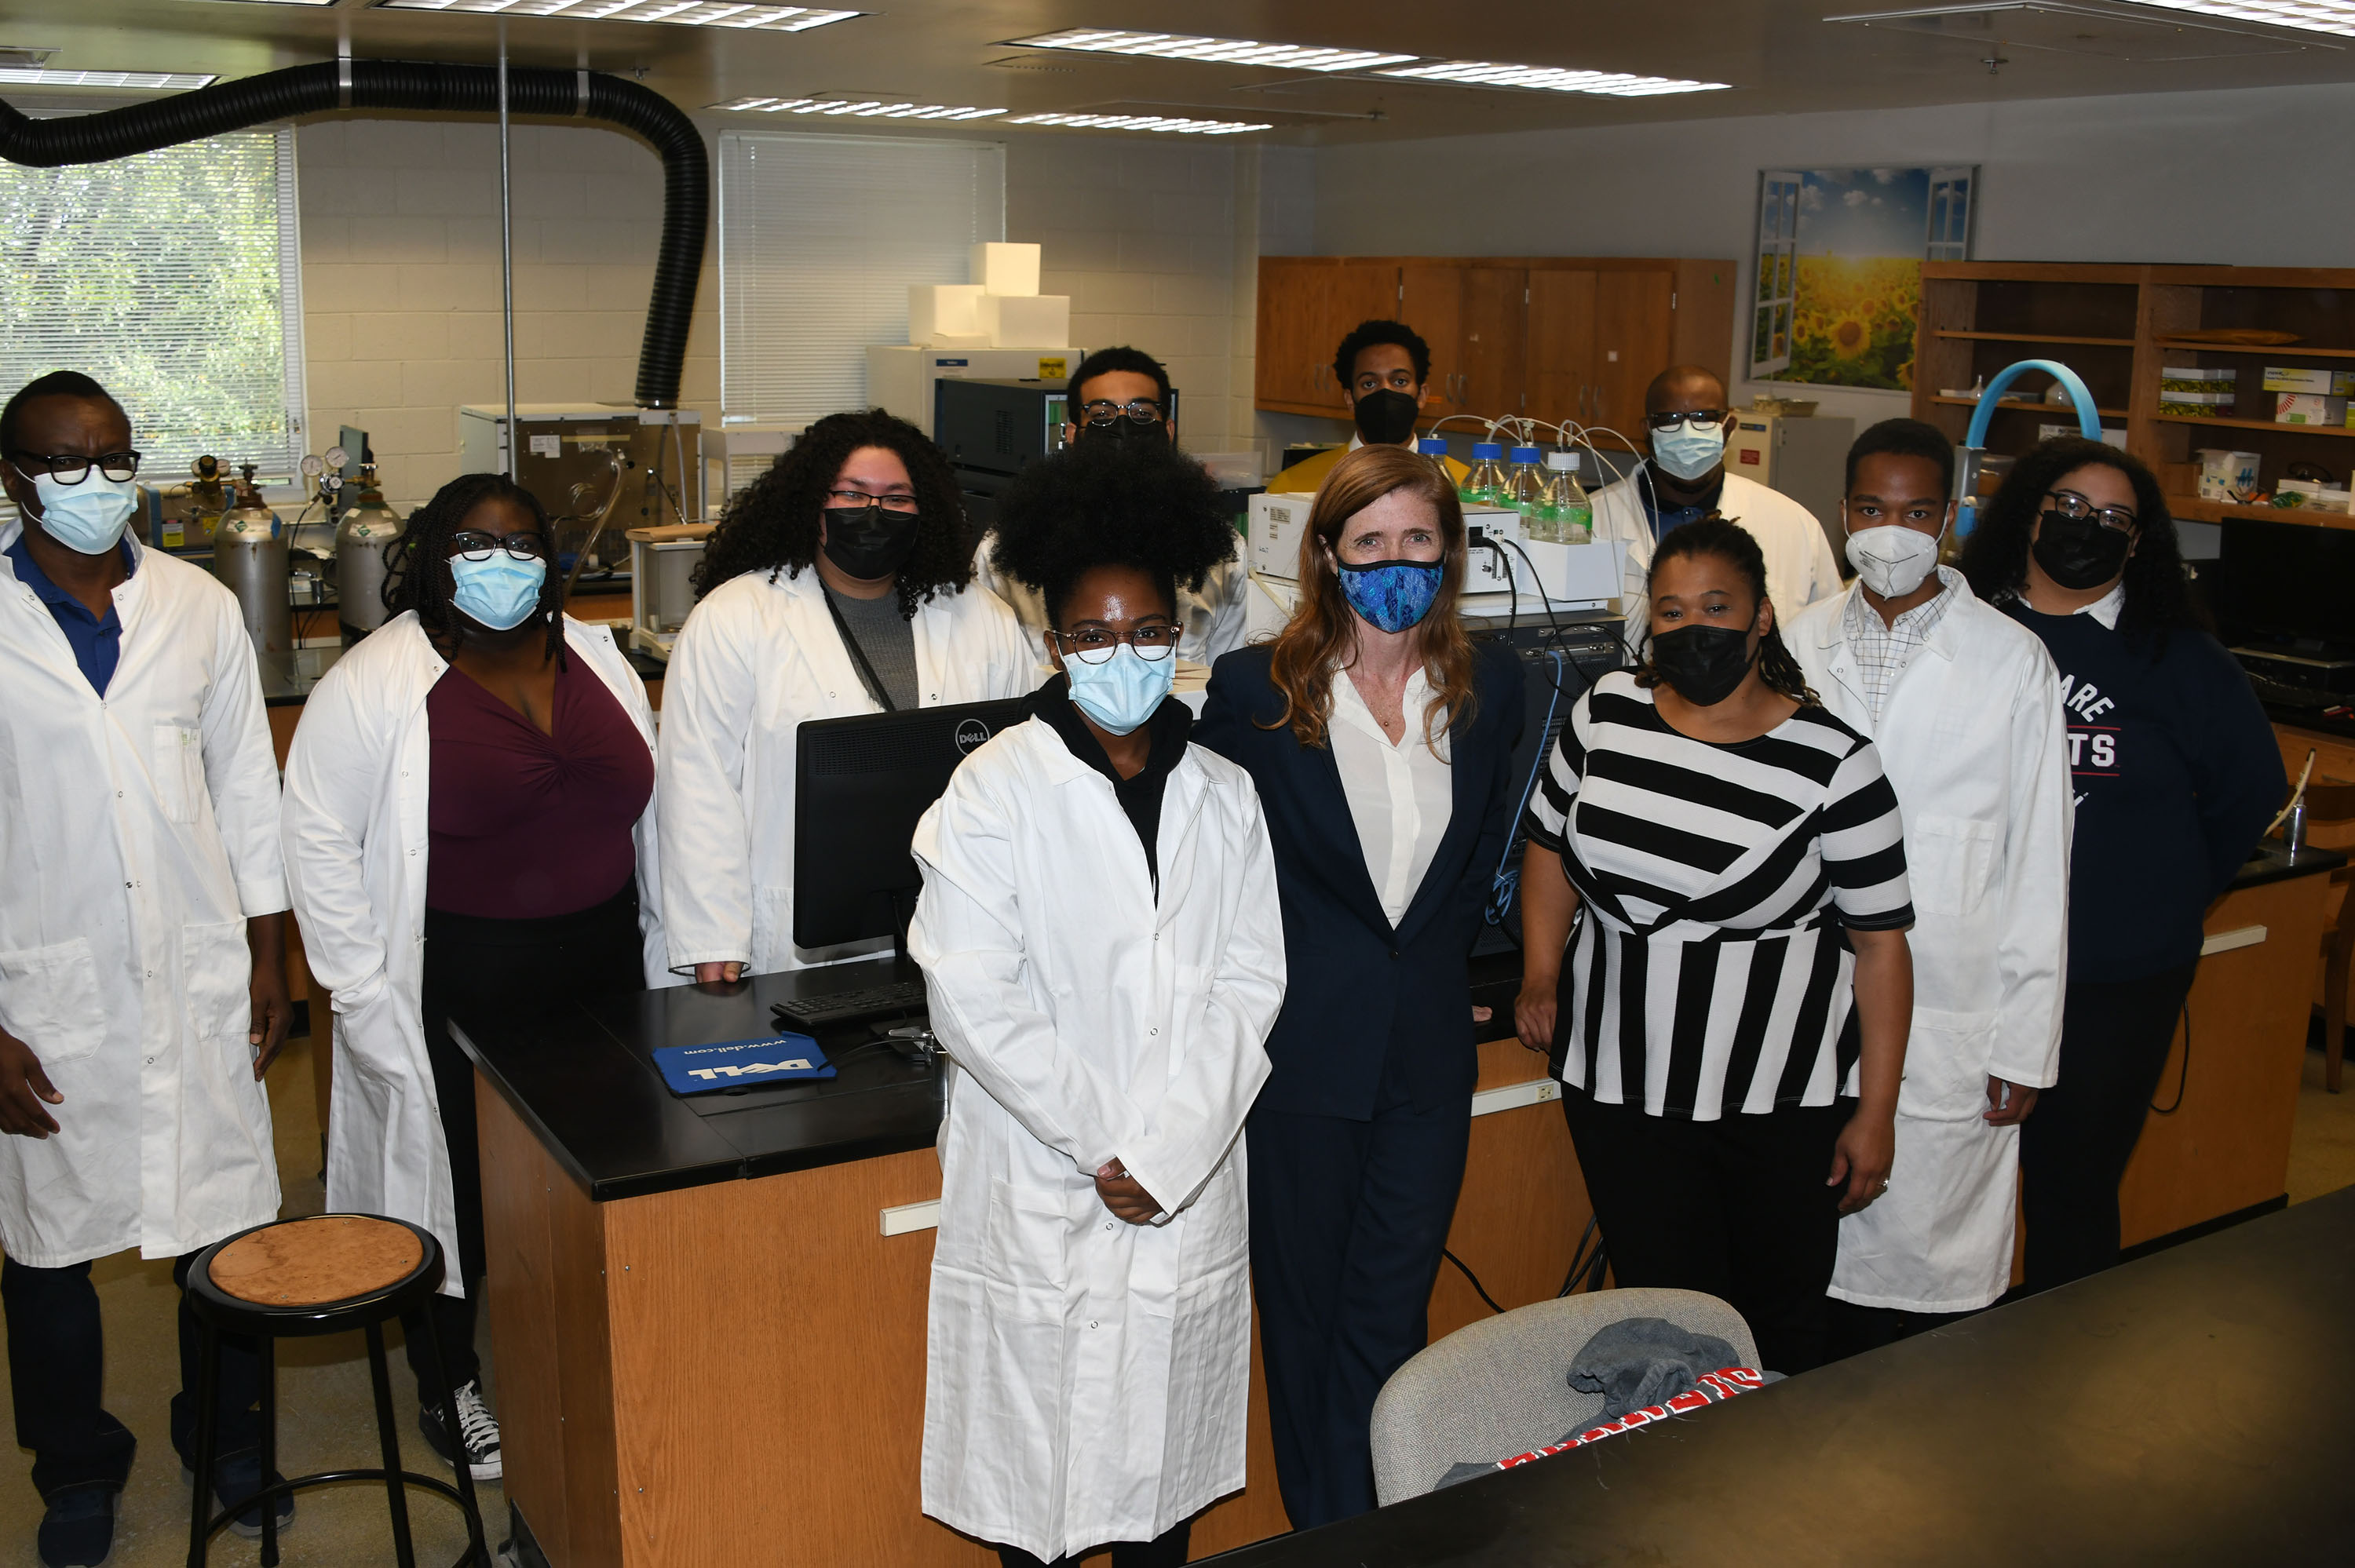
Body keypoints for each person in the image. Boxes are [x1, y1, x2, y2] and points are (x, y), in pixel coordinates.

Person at [910, 436, 1286, 1568]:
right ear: (1051, 641)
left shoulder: (1226, 792)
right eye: (1092, 633)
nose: (1122, 653)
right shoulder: (994, 789)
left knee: (1160, 1468)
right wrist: (1108, 1145)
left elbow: (1249, 981)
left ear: (1178, 634)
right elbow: (972, 994)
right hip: (1049, 1169)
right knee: (1044, 1474)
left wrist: (1168, 1149)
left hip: (1186, 1170)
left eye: (1146, 630)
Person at [283, 472, 675, 1483]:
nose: (501, 562)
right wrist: (359, 992)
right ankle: (446, 1377)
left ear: (550, 559)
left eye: (520, 543)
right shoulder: (375, 682)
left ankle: (584, 1349)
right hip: (461, 969)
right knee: (452, 1176)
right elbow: (317, 842)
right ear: (430, 557)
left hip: (602, 962)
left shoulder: (597, 655)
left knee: (593, 1164)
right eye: (473, 543)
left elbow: (653, 806)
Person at [1196, 443, 1523, 1527]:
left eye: (1417, 541)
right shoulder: (1253, 689)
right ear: (1329, 556)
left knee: (1389, 1317)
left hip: (1426, 1056)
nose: (1396, 560)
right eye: (1371, 541)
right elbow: (1213, 875)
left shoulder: (1492, 683)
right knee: (1303, 1325)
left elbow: (1480, 857)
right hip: (1299, 1057)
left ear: (1449, 552)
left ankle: (1378, 1530)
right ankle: (1328, 1536)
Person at [0, 370, 292, 1566]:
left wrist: (274, 953)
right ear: (15, 476)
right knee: (50, 1249)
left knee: (221, 1226)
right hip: (43, 984)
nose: (98, 483)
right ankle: (74, 1467)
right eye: (68, 463)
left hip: (198, 962)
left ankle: (226, 1439)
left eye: (116, 458)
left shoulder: (198, 606)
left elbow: (246, 790)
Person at [1513, 516, 1914, 1376]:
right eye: (1670, 611)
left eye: (1717, 606)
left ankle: (1777, 1503)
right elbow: (1546, 844)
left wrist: (1875, 1113)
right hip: (1618, 1086)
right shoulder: (1605, 712)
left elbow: (1883, 948)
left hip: (1775, 1101)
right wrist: (1542, 970)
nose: (1693, 628)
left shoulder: (1836, 764)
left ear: (1761, 617)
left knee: (1775, 1322)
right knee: (1659, 1322)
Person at [1961, 439, 2284, 1293]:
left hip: (2115, 979)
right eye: (2066, 507)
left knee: (2073, 1187)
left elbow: (2249, 793)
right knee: (1949, 1186)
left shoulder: (2178, 659)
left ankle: (2057, 1378)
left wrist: (2161, 897)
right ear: (2026, 512)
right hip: (1966, 971)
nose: (2086, 529)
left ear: (2139, 543)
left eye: (2113, 519)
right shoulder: (1964, 631)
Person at [1784, 420, 2071, 1352]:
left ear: (1948, 519)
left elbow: (2038, 865)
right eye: (1872, 508)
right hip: (1800, 1003)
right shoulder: (1794, 642)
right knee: (1798, 1276)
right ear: (1843, 514)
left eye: (1915, 512)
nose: (1892, 531)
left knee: (1927, 1293)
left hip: (1954, 1004)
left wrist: (2026, 1041)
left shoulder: (2012, 659)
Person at [659, 408, 1034, 980]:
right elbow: (699, 785)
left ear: (924, 510)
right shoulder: (736, 618)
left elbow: (1025, 766)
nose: (875, 513)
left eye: (897, 498)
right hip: (786, 934)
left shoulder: (981, 618)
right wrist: (714, 935)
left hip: (954, 922)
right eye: (853, 495)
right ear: (813, 504)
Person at [974, 345, 1247, 667]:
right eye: (1102, 415)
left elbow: (1228, 668)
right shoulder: (1007, 548)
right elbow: (987, 667)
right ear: (1074, 435)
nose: (1122, 427)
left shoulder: (1219, 550)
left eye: (1142, 414)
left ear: (1168, 431)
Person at [1587, 366, 1841, 654]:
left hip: (1756, 697)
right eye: (1670, 420)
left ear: (1729, 427)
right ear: (1648, 431)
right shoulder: (1592, 521)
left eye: (1704, 418)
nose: (1687, 432)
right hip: (1630, 692)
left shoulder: (1793, 524)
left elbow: (1828, 638)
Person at [1269, 319, 1469, 496]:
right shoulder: (1292, 487)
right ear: (1350, 399)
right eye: (1369, 384)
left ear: (1422, 396)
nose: (1385, 392)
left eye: (1400, 381)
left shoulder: (1464, 486)